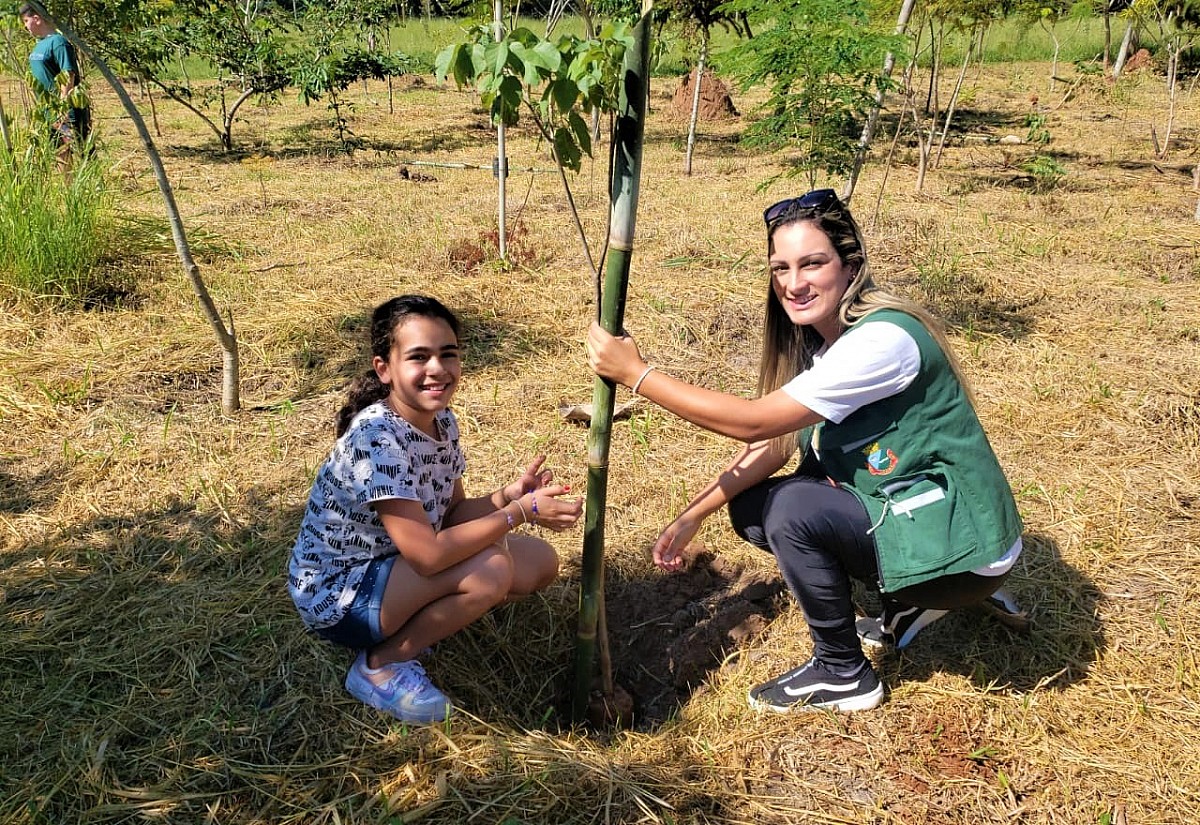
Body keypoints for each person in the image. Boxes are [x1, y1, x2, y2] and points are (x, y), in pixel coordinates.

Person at [587, 189, 1024, 713]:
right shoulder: (827, 343)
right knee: (753, 505)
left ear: (851, 263)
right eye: (780, 269)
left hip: (965, 550)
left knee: (792, 509)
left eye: (812, 263)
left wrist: (636, 374)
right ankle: (903, 604)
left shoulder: (881, 341)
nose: (794, 284)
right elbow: (770, 447)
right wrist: (692, 516)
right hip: (927, 522)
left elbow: (750, 421)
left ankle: (844, 672)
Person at [289, 295, 582, 723]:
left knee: (539, 562)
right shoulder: (377, 440)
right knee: (492, 570)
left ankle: (421, 620)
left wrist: (506, 496)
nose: (437, 369)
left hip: (393, 563)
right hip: (339, 594)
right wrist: (519, 512)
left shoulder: (442, 421)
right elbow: (428, 557)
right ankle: (380, 665)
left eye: (448, 354)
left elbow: (453, 513)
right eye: (419, 357)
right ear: (383, 368)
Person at [19, 4, 91, 163]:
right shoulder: (40, 44)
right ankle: (69, 187)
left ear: (37, 19)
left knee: (80, 151)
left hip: (65, 111)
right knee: (60, 152)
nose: (25, 26)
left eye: (26, 20)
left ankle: (92, 185)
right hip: (49, 110)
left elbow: (68, 74)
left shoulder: (58, 42)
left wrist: (63, 106)